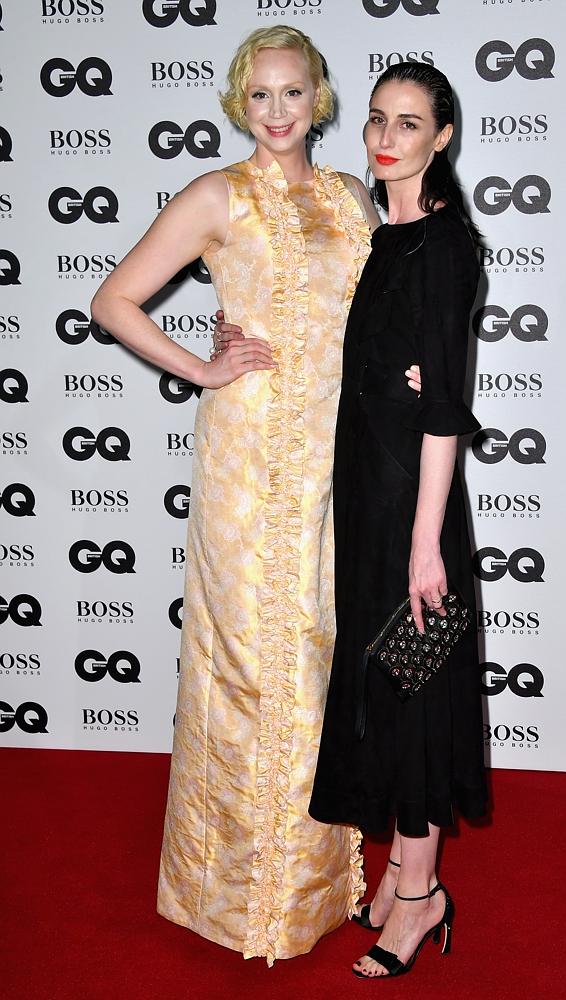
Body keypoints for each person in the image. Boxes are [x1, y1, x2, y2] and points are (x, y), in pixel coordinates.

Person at [90, 26, 385, 965]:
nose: (277, 112)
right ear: (237, 101)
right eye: (259, 95)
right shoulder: (217, 195)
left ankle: (310, 885)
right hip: (250, 461)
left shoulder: (348, 198)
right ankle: (237, 898)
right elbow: (115, 300)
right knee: (251, 666)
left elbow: (381, 313)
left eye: (293, 93)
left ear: (320, 98)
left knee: (322, 656)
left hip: (340, 460)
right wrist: (203, 368)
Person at [307, 62, 489, 979]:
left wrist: (426, 546)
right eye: (377, 119)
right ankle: (398, 875)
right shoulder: (384, 240)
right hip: (369, 506)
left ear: (441, 139)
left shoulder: (447, 245)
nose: (386, 137)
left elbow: (446, 409)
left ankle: (420, 899)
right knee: (385, 688)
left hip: (413, 520)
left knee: (414, 694)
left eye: (409, 124)